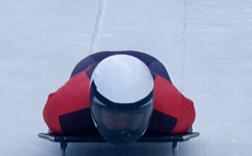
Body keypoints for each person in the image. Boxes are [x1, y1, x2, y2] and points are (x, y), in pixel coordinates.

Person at [43, 51, 195, 144]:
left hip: (150, 67)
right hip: (89, 67)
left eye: (132, 119)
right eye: (114, 118)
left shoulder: (175, 112)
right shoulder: (62, 110)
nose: (122, 129)